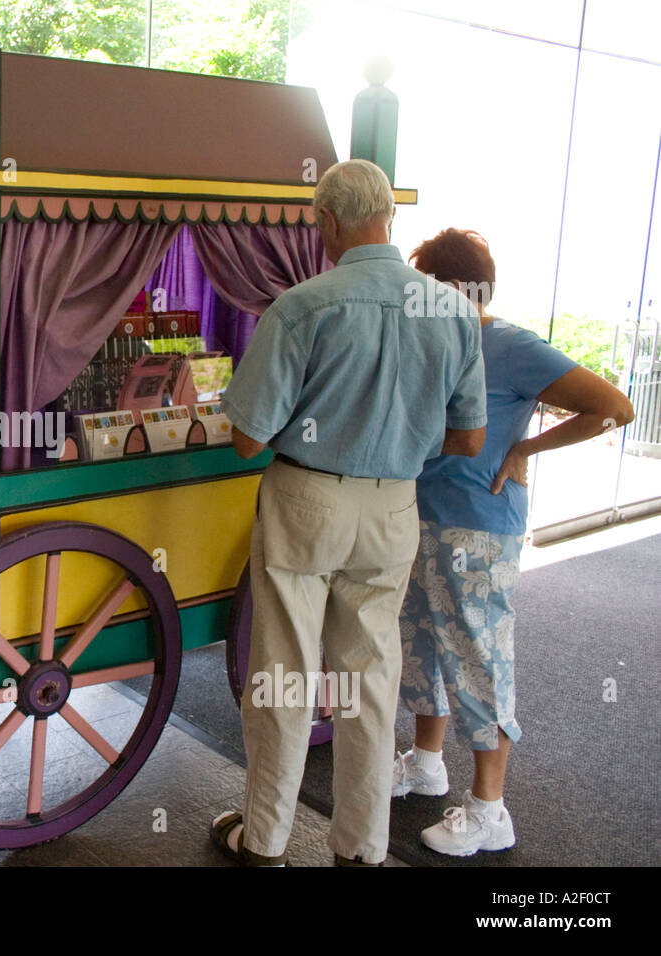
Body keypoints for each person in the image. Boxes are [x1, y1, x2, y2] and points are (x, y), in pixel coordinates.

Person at [211, 159, 488, 867]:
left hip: (307, 500)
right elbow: (470, 436)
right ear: (388, 216)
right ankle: (362, 848)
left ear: (328, 221)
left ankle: (265, 836)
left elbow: (248, 440)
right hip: (395, 502)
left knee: (285, 674)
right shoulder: (453, 309)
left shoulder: (305, 305)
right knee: (370, 678)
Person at [392, 228, 634, 856]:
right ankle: (426, 762)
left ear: (455, 288)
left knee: (478, 655)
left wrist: (527, 448)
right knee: (422, 644)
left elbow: (614, 408)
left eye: (428, 287)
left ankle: (490, 809)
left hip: (480, 522)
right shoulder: (428, 339)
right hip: (416, 514)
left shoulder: (511, 345)